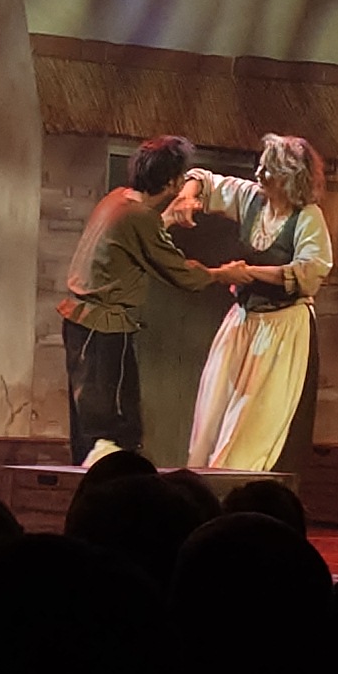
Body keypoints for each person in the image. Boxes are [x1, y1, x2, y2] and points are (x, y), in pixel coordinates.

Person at [56, 135, 225, 467]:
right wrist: (226, 273)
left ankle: (102, 483)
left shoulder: (118, 199)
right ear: (172, 182)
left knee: (96, 422)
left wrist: (167, 219)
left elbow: (138, 236)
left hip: (87, 325)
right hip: (102, 329)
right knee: (113, 427)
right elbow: (183, 274)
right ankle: (116, 488)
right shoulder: (137, 217)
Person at [185, 133, 333, 475]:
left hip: (281, 330)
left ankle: (235, 487)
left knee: (252, 425)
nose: (259, 174)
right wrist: (188, 196)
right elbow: (206, 182)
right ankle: (200, 486)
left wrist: (249, 272)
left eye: (268, 170)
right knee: (211, 416)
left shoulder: (307, 217)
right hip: (242, 322)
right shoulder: (252, 199)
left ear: (288, 178)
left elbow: (310, 272)